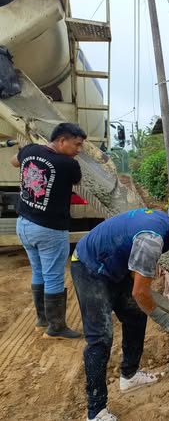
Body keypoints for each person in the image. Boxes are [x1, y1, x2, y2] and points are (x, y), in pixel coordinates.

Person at [70, 207, 169, 421]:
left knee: (135, 314)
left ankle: (129, 375)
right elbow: (140, 292)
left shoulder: (164, 225)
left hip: (113, 267)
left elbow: (139, 282)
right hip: (90, 267)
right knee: (100, 337)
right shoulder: (152, 240)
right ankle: (95, 412)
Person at [11, 122, 87, 339]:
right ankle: (56, 328)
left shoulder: (30, 150)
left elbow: (14, 161)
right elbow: (77, 181)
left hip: (24, 225)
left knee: (38, 271)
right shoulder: (68, 165)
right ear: (62, 140)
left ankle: (42, 320)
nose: (79, 150)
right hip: (49, 229)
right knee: (53, 276)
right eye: (77, 145)